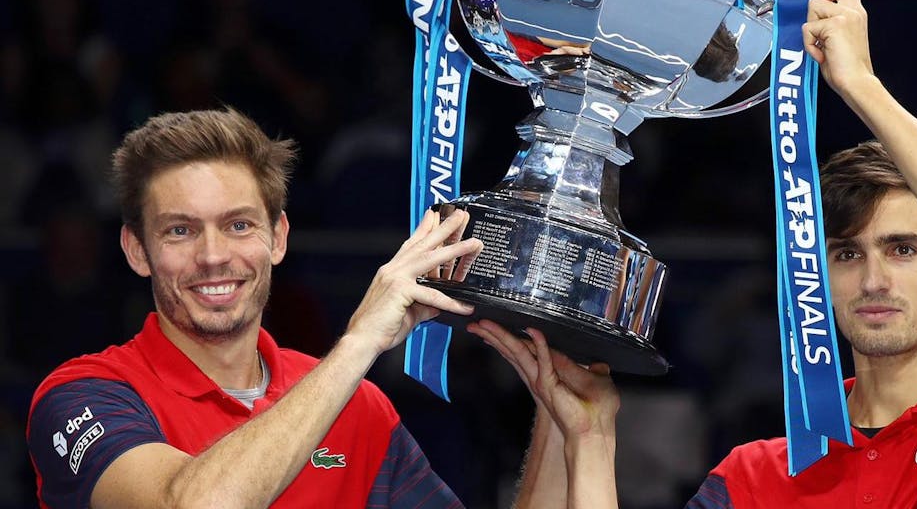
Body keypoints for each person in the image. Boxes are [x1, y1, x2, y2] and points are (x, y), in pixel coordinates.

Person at [476, 0, 917, 508]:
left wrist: (860, 85)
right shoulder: (754, 477)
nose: (874, 280)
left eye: (903, 249)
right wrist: (590, 437)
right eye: (847, 253)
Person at [23, 106, 580, 508]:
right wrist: (359, 342)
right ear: (136, 251)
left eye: (238, 225)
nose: (212, 256)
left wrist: (565, 422)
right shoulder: (83, 397)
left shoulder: (358, 408)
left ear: (279, 238)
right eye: (180, 231)